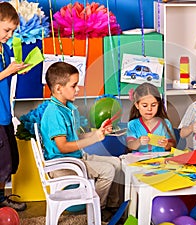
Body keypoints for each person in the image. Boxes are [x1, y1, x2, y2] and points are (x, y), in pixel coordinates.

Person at [40, 62, 122, 219]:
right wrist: (94, 140)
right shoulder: (54, 113)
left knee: (117, 163)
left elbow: (76, 138)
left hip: (75, 158)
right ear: (58, 88)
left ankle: (113, 206)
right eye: (74, 86)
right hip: (63, 163)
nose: (78, 89)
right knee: (108, 170)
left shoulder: (67, 108)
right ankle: (97, 209)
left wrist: (97, 133)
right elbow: (63, 147)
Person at [0, 2, 30, 211]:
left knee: (7, 161)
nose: (9, 35)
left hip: (4, 112)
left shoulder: (3, 48)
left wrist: (16, 71)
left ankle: (1, 197)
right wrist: (8, 71)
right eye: (6, 30)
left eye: (12, 31)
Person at [126, 82, 176, 152]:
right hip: (138, 161)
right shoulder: (132, 124)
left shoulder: (165, 123)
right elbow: (130, 146)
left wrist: (166, 144)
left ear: (158, 104)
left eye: (153, 105)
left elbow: (172, 145)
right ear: (137, 105)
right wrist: (139, 141)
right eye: (145, 106)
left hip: (160, 161)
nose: (149, 109)